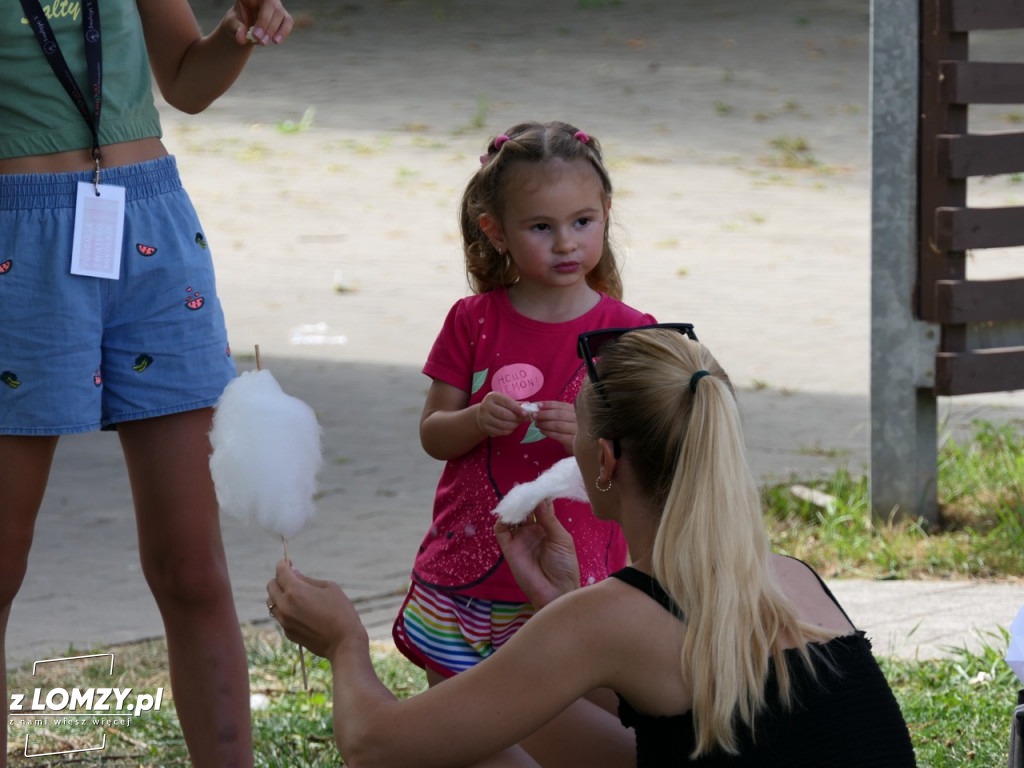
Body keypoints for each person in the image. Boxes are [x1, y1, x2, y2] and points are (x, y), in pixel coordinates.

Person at [267, 327, 919, 767]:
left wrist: (343, 644)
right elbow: (688, 719)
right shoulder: (791, 577)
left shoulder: (610, 621)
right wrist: (562, 603)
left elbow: (375, 745)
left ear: (604, 460)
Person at [0, 2, 292, 766]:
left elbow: (187, 83)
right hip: (16, 245)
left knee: (194, 568)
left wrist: (238, 32)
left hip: (153, 232)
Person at [391, 121, 655, 692]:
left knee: (572, 722)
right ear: (497, 231)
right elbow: (433, 433)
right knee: (455, 724)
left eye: (581, 222)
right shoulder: (472, 320)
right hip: (469, 564)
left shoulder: (629, 334)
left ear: (605, 212)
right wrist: (475, 419)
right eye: (541, 226)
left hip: (576, 572)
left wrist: (590, 433)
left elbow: (650, 454)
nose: (566, 243)